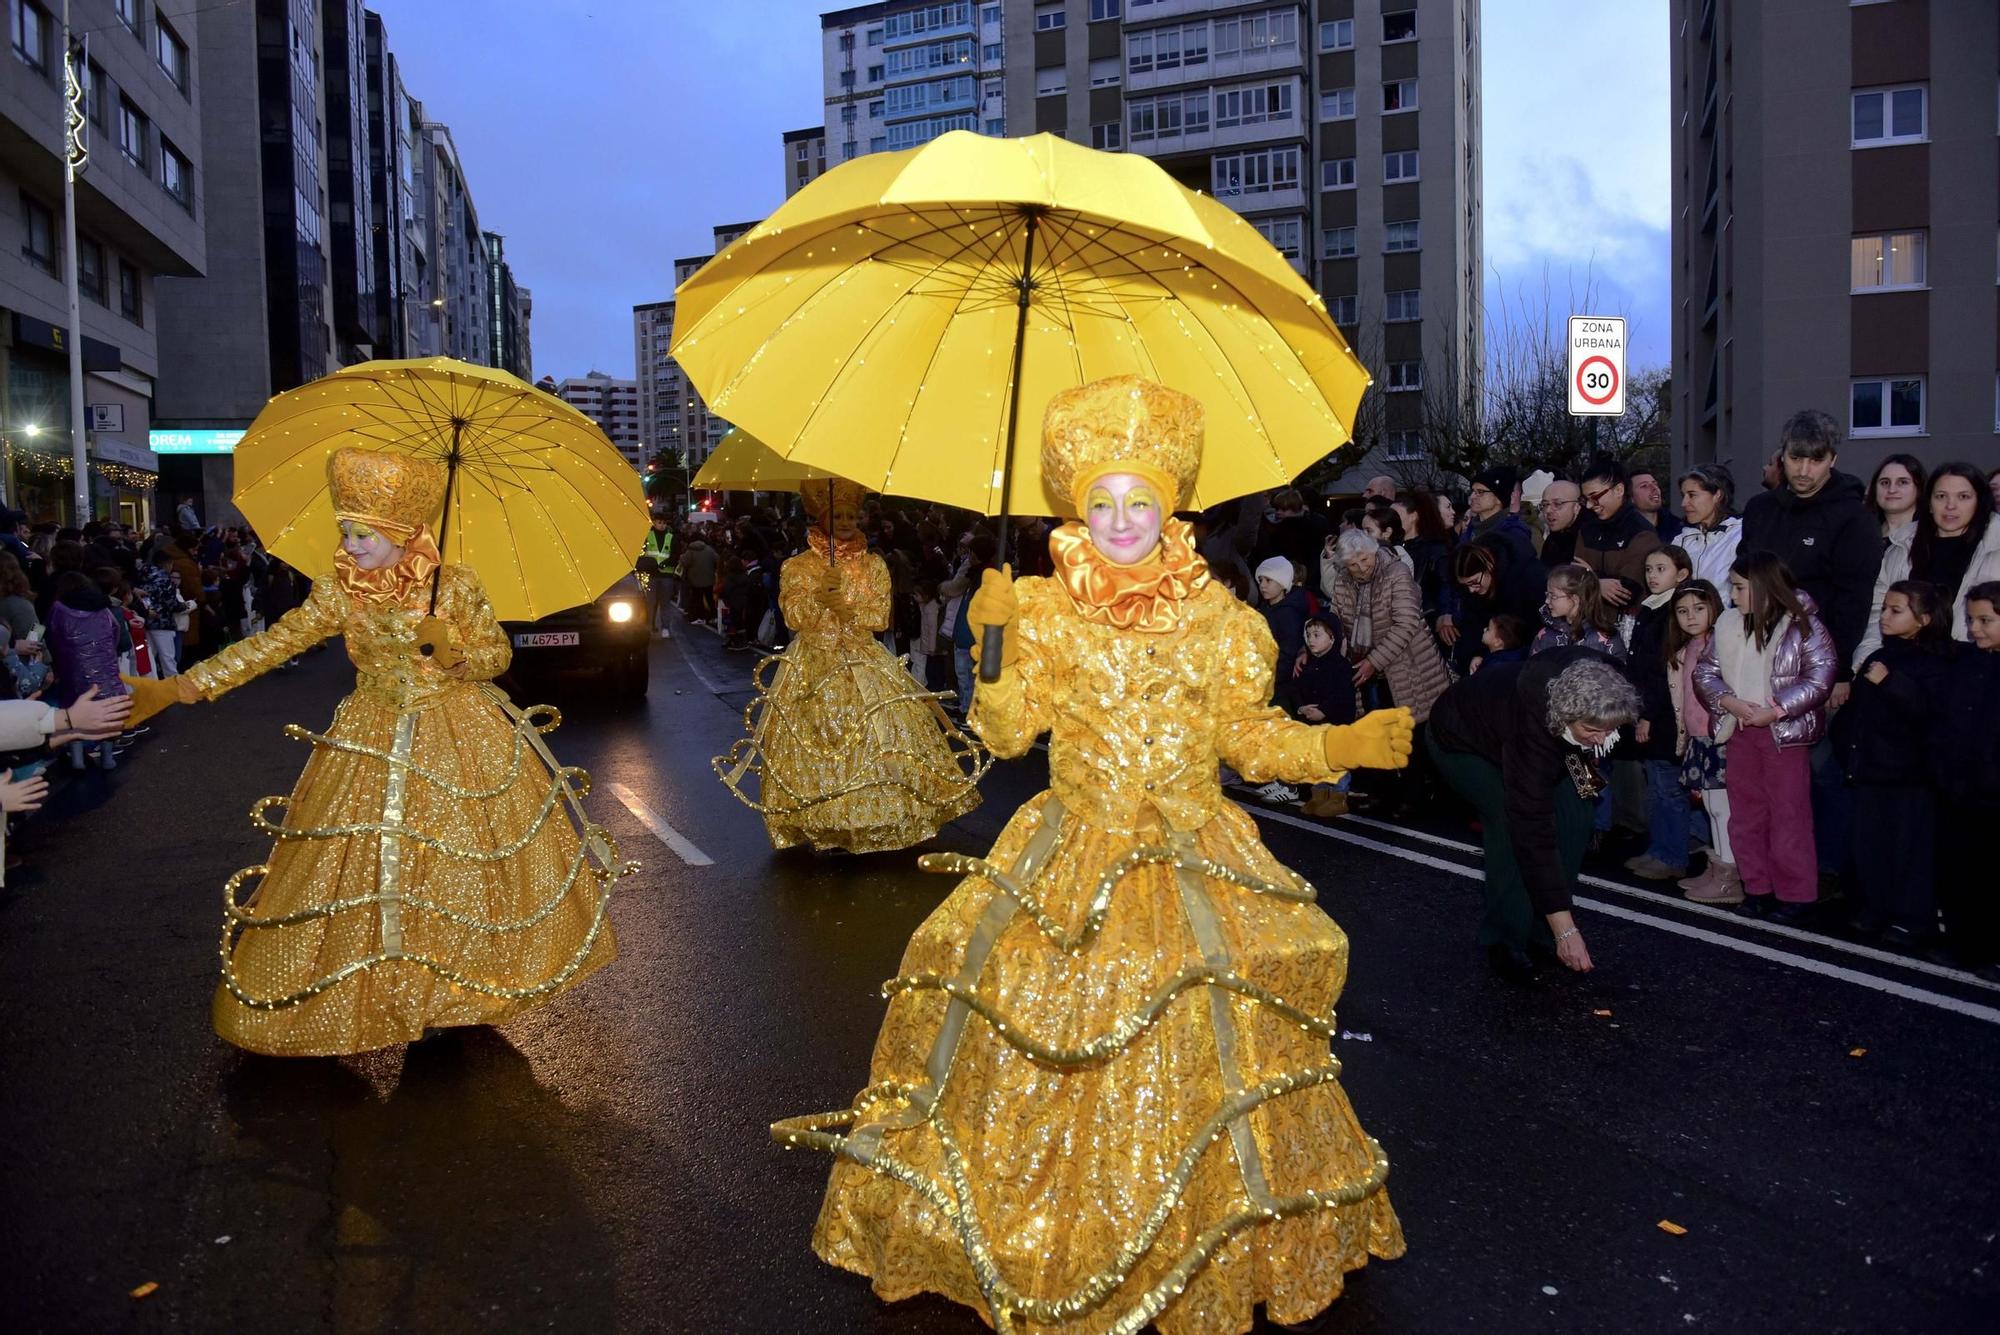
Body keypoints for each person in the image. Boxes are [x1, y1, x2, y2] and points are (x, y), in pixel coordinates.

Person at [777, 377, 1411, 1334]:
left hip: (1198, 850)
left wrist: (1336, 747)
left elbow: (1248, 738)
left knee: (1208, 1032)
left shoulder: (1223, 623)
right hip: (1075, 848)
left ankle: (1209, 1230)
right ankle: (1056, 1228)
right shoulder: (1039, 610)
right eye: (1103, 502)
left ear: (1172, 506)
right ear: (1079, 504)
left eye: (1141, 501)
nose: (1121, 520)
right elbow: (1002, 735)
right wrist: (989, 649)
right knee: (1051, 1010)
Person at [120, 447, 624, 1056]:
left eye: (364, 533)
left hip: (458, 734)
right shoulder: (339, 592)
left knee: (457, 869)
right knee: (360, 869)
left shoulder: (455, 585)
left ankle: (454, 993)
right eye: (346, 531)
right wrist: (182, 686)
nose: (352, 544)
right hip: (370, 736)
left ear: (403, 531)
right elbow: (273, 644)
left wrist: (455, 655)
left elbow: (497, 656)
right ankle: (383, 993)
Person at [713, 477, 986, 853]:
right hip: (813, 664)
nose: (845, 521)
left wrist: (845, 607)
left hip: (864, 660)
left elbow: (880, 617)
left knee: (883, 736)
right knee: (820, 737)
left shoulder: (874, 565)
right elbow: (792, 618)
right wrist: (819, 600)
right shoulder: (798, 566)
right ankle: (824, 820)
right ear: (821, 518)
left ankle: (883, 817)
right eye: (837, 514)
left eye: (851, 515)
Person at [1428, 648, 1640, 981]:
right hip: (1462, 740)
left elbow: (1590, 737)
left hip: (1557, 741)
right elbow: (1533, 829)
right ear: (1567, 717)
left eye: (1608, 730)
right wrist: (1568, 931)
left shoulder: (1609, 678)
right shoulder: (1533, 730)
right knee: (1510, 824)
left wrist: (1590, 754)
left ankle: (1544, 928)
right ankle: (1505, 937)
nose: (1603, 740)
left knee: (1578, 815)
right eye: (1593, 731)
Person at [1693, 551, 1838, 924]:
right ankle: (1757, 887)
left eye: (1740, 588)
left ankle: (1796, 893)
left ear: (1763, 586)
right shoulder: (1729, 624)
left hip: (1782, 735)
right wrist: (1728, 701)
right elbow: (1704, 671)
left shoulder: (1804, 624)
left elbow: (1821, 677)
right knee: (1746, 815)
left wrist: (1775, 710)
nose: (1734, 596)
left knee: (1788, 815)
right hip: (1741, 730)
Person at [1838, 580, 1950, 946]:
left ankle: (1911, 917)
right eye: (1884, 608)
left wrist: (1892, 684)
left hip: (1910, 774)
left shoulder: (1936, 662)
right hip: (1871, 766)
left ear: (1925, 619)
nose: (1885, 617)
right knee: (1871, 843)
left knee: (1910, 849)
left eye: (1896, 610)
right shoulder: (1879, 656)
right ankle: (1876, 906)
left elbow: (1932, 714)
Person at [1322, 527, 1450, 770]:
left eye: (1365, 559)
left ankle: (1411, 799)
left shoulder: (1396, 573)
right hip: (1366, 669)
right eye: (1353, 564)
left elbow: (1407, 622)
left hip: (1409, 667)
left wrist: (1374, 661)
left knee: (1410, 736)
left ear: (1374, 552)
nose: (1361, 568)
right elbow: (1335, 621)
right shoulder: (1343, 581)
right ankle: (1383, 794)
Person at [1851, 462, 2000, 669]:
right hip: (1901, 670)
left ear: (1979, 501)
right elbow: (1878, 611)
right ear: (1929, 502)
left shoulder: (1995, 546)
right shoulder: (1902, 546)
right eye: (1941, 496)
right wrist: (1869, 657)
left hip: (1973, 671)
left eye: (1963, 497)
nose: (1950, 505)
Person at [1929, 582, 2000, 979]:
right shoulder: (1968, 664)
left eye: (1986, 620)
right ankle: (1964, 943)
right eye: (1971, 619)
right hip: (1959, 789)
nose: (1975, 628)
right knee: (1960, 870)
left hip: (1993, 793)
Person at [1622, 546, 1696, 881]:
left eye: (1661, 568)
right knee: (1655, 784)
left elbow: (1663, 671)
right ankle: (1657, 849)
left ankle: (1674, 854)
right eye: (1649, 568)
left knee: (1669, 786)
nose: (1652, 575)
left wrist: (1649, 713)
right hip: (1646, 707)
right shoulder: (1650, 608)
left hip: (1665, 714)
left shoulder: (1672, 613)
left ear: (1681, 574)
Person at [1666, 581, 1739, 903]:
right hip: (1698, 738)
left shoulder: (1721, 644)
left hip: (1721, 737)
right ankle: (1718, 868)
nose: (1691, 617)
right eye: (1682, 611)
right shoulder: (1685, 650)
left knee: (1724, 809)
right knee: (1711, 806)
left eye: (1699, 608)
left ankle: (1730, 877)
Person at [47, 570, 130, 771]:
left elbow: (52, 635)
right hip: (105, 667)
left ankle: (77, 759)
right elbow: (115, 631)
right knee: (108, 710)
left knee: (74, 711)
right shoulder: (102, 607)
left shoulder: (58, 609)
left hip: (72, 669)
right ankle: (108, 757)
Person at [1444, 534, 1545, 674]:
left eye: (1474, 582)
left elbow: (1540, 625)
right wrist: (1476, 655)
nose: (1471, 590)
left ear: (1489, 566)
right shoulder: (1470, 593)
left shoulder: (1526, 574)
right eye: (1465, 585)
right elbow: (1471, 628)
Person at [1575, 457, 1663, 610]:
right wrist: (1599, 583)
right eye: (1585, 499)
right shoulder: (1587, 529)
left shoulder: (1642, 532)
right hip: (1589, 624)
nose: (1589, 505)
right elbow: (1573, 578)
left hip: (1626, 628)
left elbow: (1625, 593)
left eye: (1595, 497)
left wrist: (1590, 577)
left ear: (1619, 490)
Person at [1293, 613, 1357, 816]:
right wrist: (1302, 708)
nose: (1311, 640)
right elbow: (1298, 690)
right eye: (1309, 635)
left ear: (1332, 638)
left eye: (1317, 635)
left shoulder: (1341, 667)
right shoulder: (1308, 664)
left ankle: (1338, 797)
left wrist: (1323, 711)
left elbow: (1342, 695)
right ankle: (1319, 795)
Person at [1532, 565, 1625, 660]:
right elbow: (1530, 671)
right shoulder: (1544, 635)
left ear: (1575, 599)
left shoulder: (1607, 640)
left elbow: (1617, 673)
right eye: (1547, 594)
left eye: (1553, 596)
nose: (1547, 601)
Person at [1673, 464, 1743, 589]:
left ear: (1717, 495)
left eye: (1692, 495)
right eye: (1683, 495)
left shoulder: (1740, 535)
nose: (1684, 503)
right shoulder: (1680, 541)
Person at [1463, 465, 1537, 569]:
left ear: (1499, 499)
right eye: (1472, 491)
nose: (1472, 497)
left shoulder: (1514, 533)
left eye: (1480, 492)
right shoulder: (1470, 530)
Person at [1865, 453, 1926, 540]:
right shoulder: (1861, 533)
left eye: (1902, 482)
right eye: (1885, 482)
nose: (1892, 490)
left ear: (1919, 488)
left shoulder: (1930, 536)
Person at [640, 511, 675, 638]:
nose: (662, 525)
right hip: (651, 574)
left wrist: (664, 565)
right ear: (654, 522)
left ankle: (665, 628)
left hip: (666, 575)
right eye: (659, 522)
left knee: (665, 603)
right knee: (650, 603)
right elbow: (642, 554)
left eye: (664, 523)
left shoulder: (671, 536)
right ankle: (650, 626)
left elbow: (675, 555)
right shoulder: (647, 536)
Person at [1628, 468, 1685, 542]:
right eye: (1644, 486)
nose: (1654, 488)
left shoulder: (1679, 527)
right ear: (1631, 498)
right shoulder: (1621, 532)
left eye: (1655, 484)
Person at [1537, 479, 1583, 568]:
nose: (1548, 510)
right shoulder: (1552, 540)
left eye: (1557, 504)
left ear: (1576, 507)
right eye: (1545, 504)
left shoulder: (1592, 537)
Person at [677, 529, 719, 622]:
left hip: (695, 580)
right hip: (709, 579)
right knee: (709, 598)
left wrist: (681, 557)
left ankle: (700, 617)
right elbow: (717, 560)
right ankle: (714, 616)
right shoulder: (709, 549)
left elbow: (684, 562)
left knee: (697, 599)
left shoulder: (691, 550)